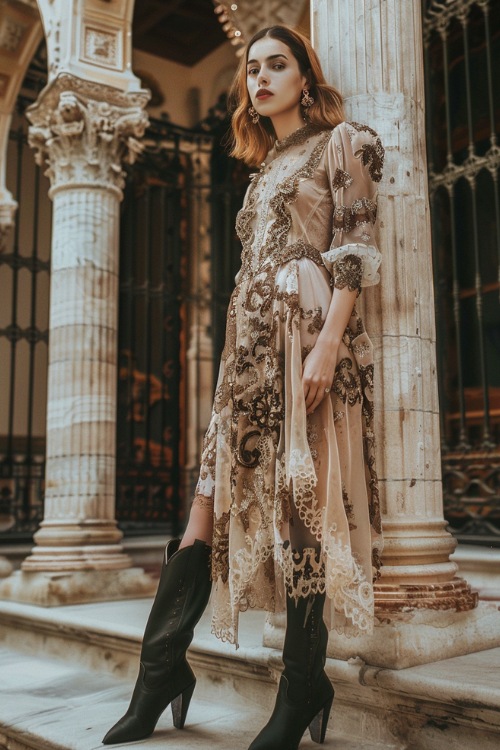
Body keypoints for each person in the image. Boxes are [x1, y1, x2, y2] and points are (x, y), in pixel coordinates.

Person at [103, 23, 384, 750]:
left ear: (303, 75)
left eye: (277, 64)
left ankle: (300, 691)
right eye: (252, 68)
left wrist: (326, 345)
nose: (260, 78)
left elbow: (353, 251)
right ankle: (159, 674)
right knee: (205, 508)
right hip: (248, 354)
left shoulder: (341, 143)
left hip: (303, 345)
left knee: (300, 512)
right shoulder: (260, 170)